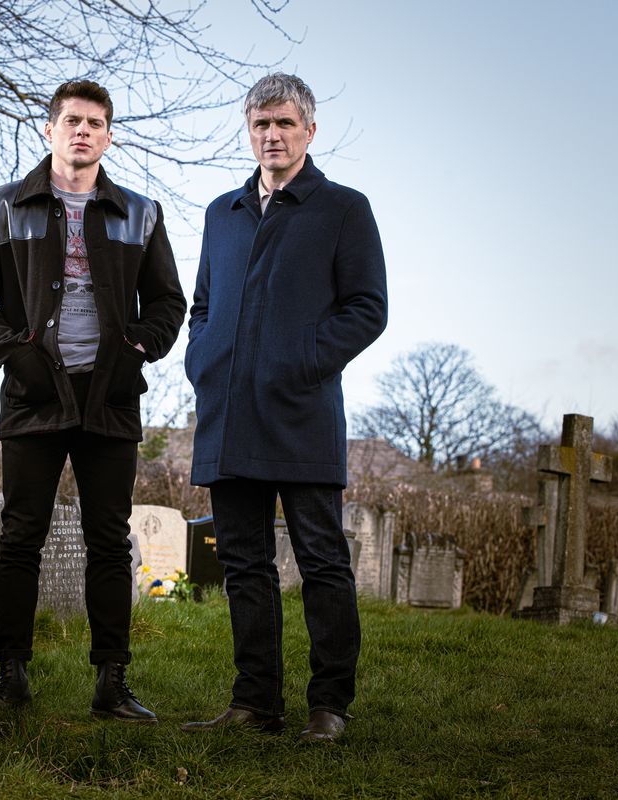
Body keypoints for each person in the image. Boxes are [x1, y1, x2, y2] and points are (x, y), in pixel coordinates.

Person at [0, 79, 186, 722]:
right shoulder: (0, 207)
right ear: (49, 129)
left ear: (108, 136)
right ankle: (10, 679)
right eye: (73, 121)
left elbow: (169, 301)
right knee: (22, 534)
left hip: (109, 397)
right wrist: (11, 352)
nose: (84, 131)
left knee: (108, 538)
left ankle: (112, 684)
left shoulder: (140, 212)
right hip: (33, 393)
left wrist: (138, 348)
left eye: (97, 123)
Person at [181, 73, 387, 741]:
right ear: (249, 131)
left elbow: (366, 310)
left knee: (322, 561)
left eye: (285, 124)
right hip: (230, 412)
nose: (272, 135)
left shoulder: (344, 209)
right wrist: (204, 361)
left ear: (309, 131)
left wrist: (298, 363)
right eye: (261, 125)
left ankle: (329, 706)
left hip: (301, 413)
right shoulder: (223, 212)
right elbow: (203, 305)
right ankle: (255, 705)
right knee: (243, 563)